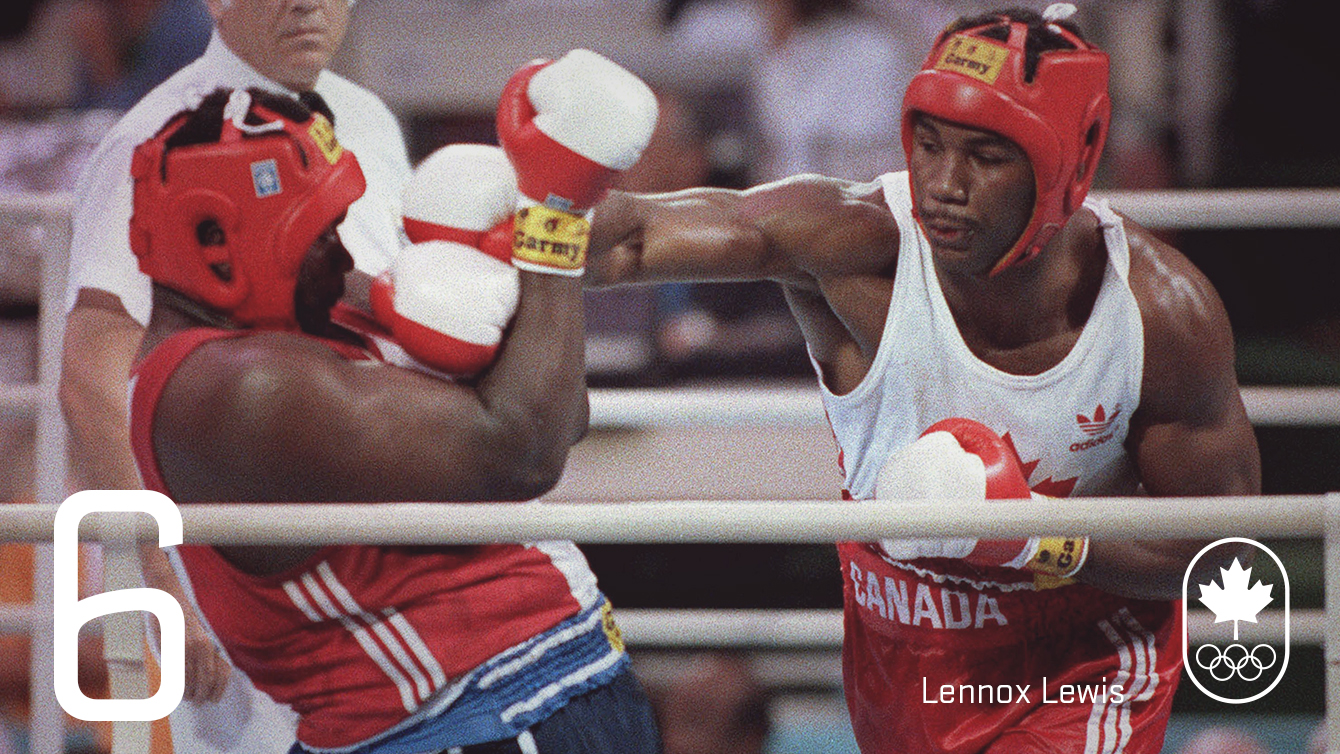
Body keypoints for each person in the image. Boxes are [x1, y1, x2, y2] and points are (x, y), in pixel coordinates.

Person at [586, 5, 1259, 753]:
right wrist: (535, 208)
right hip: (903, 655)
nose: (944, 184)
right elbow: (633, 239)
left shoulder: (1159, 315)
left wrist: (1037, 535)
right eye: (930, 145)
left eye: (987, 156)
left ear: (1068, 160)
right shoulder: (856, 241)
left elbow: (1222, 555)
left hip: (1084, 661)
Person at [125, 49, 660, 753]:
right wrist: (552, 218)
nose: (344, 256)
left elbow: (562, 416)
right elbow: (525, 451)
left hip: (520, 696)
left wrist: (490, 264)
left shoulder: (298, 309)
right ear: (219, 243)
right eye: (317, 236)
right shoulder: (237, 390)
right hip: (475, 716)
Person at [58, 0, 410, 749]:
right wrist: (157, 582)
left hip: (370, 555)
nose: (308, 3)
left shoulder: (368, 120)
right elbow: (90, 381)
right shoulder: (162, 140)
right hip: (221, 566)